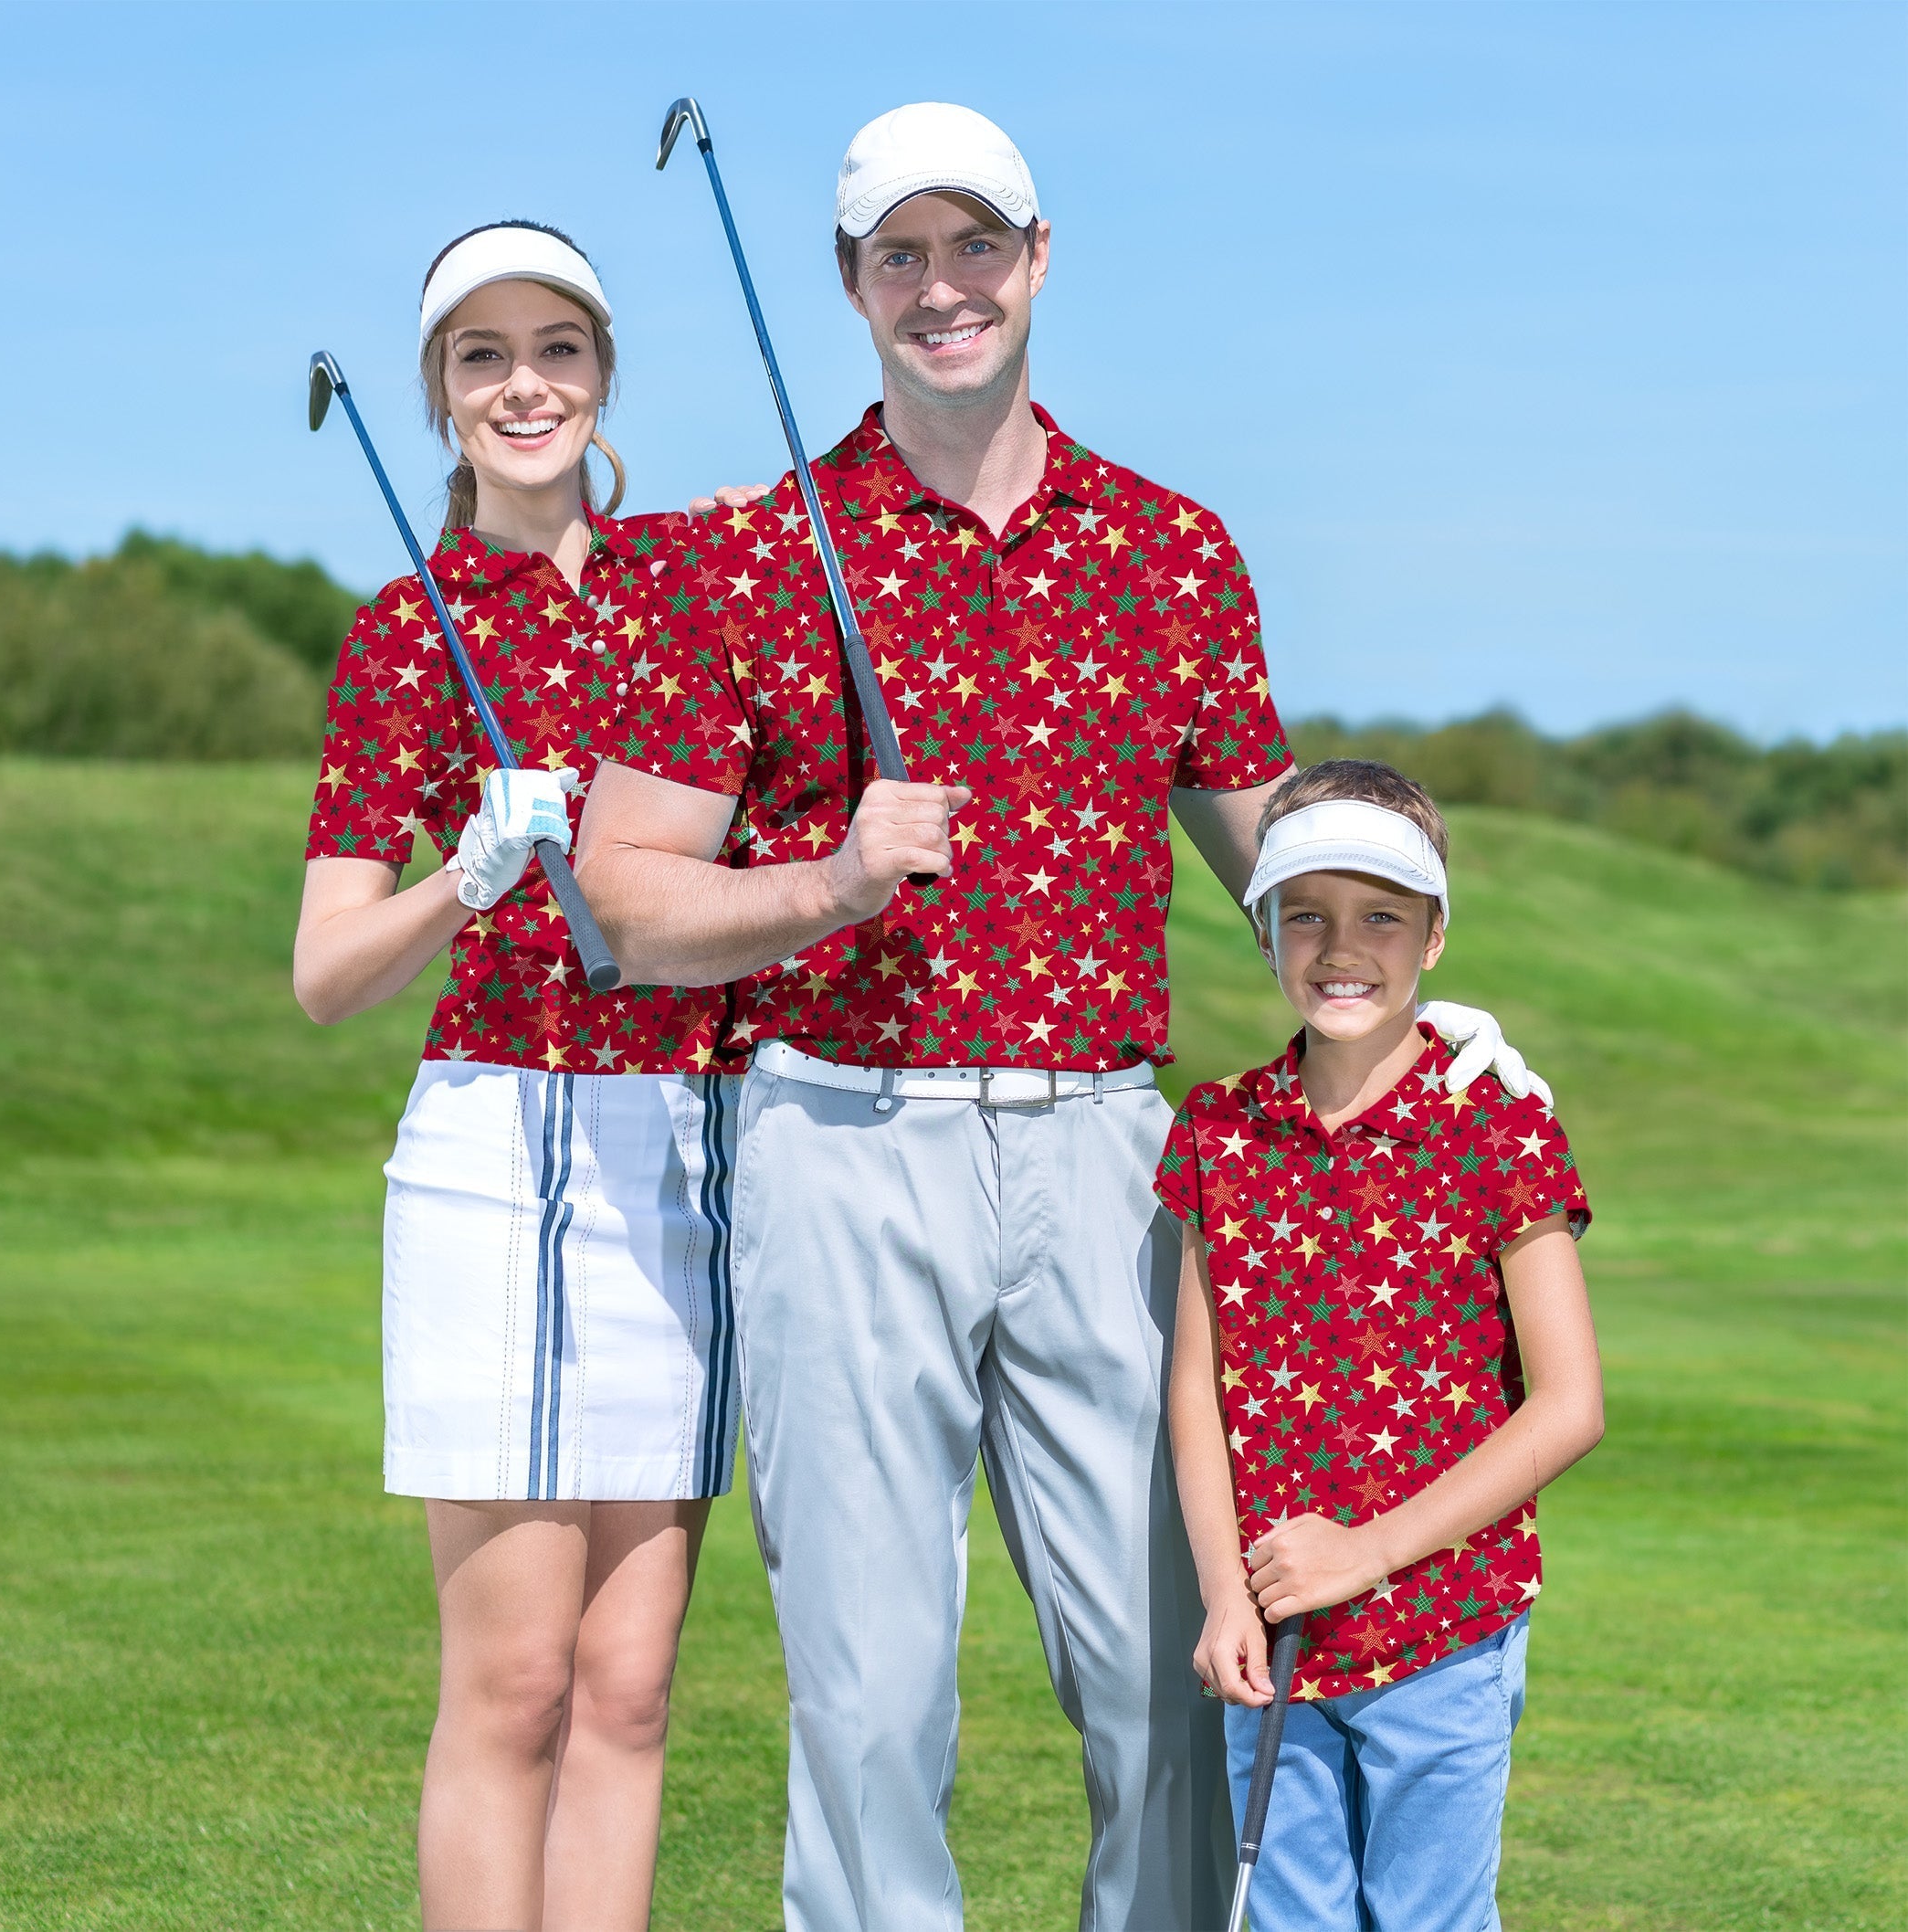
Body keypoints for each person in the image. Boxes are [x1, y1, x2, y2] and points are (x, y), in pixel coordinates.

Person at [575, 105, 1540, 1931]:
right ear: (851, 285)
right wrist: (823, 885)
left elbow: (1271, 853)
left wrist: (1419, 984)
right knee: (870, 1696)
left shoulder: (1171, 551)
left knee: (1174, 1663)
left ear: (1037, 258)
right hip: (838, 1138)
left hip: (1110, 1155)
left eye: (975, 246)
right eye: (899, 256)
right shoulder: (751, 553)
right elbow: (623, 892)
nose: (943, 289)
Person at [293, 221, 739, 1932]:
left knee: (629, 1688)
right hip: (497, 1146)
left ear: (604, 373)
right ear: (440, 395)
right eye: (483, 356)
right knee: (514, 1686)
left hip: (678, 1155)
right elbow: (328, 973)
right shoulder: (407, 632)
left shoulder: (695, 592)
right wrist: (462, 876)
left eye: (557, 346)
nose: (525, 382)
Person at [1161, 759, 1605, 1932]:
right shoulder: (1220, 1130)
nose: (1339, 946)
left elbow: (1569, 1405)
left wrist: (1368, 1554)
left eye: (1380, 917)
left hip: (1445, 1620)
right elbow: (1196, 1394)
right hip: (1273, 1630)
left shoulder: (1498, 1127)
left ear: (1434, 938)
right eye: (1304, 913)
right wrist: (1222, 1596)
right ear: (1263, 927)